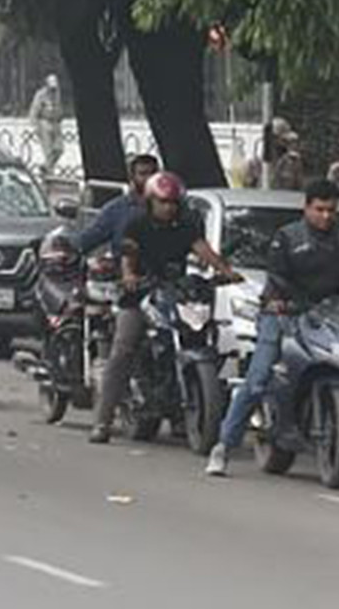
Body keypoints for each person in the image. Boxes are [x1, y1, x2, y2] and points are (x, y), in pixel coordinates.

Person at [206, 179, 339, 475]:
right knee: (258, 378)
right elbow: (277, 276)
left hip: (327, 315)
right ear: (307, 207)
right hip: (282, 311)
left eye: (331, 210)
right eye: (320, 209)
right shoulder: (287, 237)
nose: (326, 216)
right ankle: (223, 447)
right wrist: (278, 303)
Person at [89, 172, 237, 444]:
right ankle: (103, 420)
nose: (169, 207)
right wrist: (130, 275)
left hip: (175, 292)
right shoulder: (137, 223)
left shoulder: (188, 224)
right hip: (139, 294)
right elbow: (128, 253)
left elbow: (202, 248)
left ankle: (187, 407)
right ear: (151, 202)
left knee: (203, 335)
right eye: (163, 202)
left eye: (173, 203)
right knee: (123, 349)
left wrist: (225, 270)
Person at [74, 154, 159, 257]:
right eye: (143, 174)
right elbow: (89, 238)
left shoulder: (172, 206)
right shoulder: (117, 208)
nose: (149, 178)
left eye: (153, 173)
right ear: (132, 177)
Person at [29, 73, 64, 175]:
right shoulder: (40, 94)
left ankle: (45, 166)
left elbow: (58, 107)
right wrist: (35, 126)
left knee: (59, 149)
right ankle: (50, 173)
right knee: (48, 151)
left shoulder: (57, 93)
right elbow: (34, 110)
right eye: (51, 87)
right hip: (44, 122)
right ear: (46, 85)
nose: (53, 89)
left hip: (56, 123)